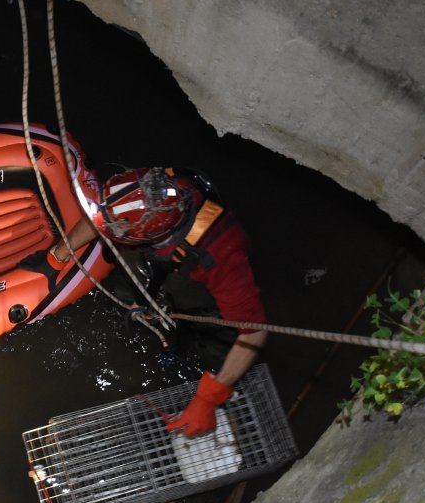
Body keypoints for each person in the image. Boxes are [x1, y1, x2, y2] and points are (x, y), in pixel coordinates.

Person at [51, 166, 268, 437]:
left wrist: (209, 398)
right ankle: (145, 306)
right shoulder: (148, 188)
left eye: (123, 230)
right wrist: (60, 254)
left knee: (213, 343)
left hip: (199, 285)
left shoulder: (220, 255)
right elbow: (103, 217)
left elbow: (254, 331)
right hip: (161, 261)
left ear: (151, 236)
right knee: (127, 273)